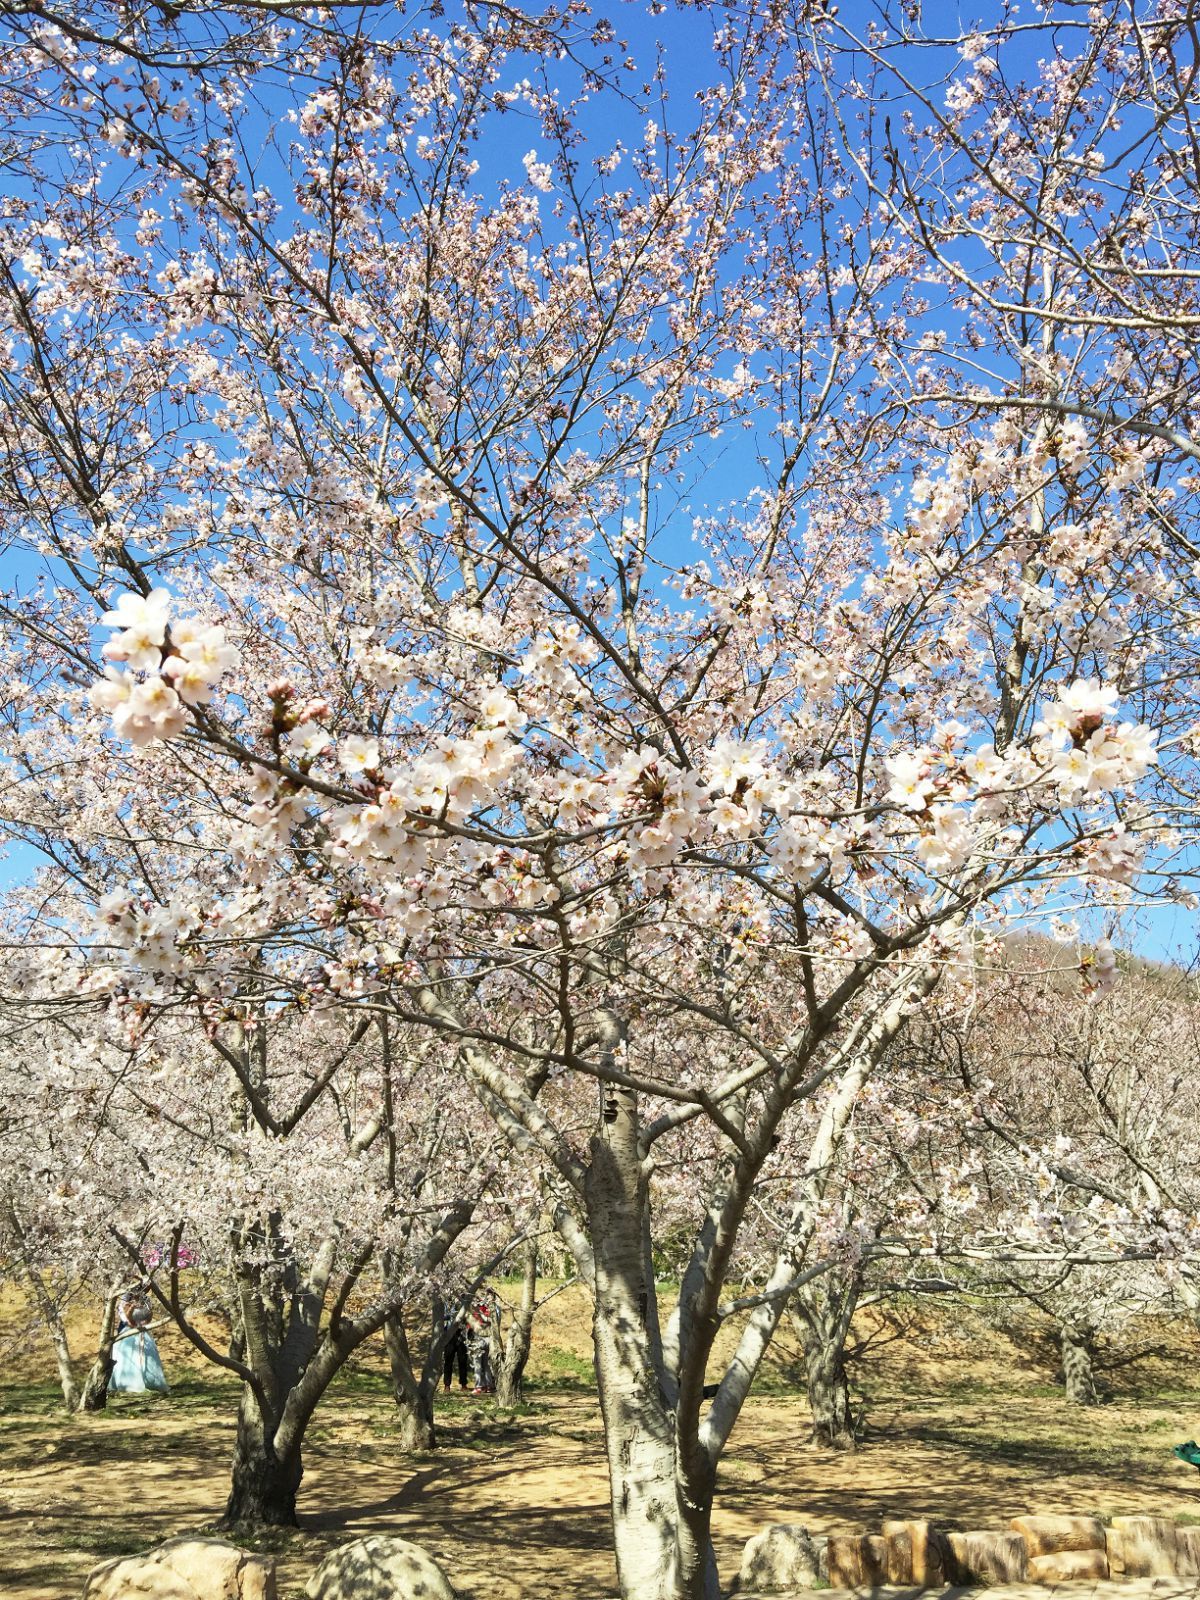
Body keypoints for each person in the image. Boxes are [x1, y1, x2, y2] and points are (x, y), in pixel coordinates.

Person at [108, 1284, 169, 1395]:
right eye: (145, 1288)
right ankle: (127, 1382)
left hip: (143, 1329)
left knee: (148, 1354)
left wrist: (144, 1324)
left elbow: (149, 1315)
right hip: (129, 1329)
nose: (147, 1290)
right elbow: (126, 1316)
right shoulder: (127, 1299)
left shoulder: (146, 1300)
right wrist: (134, 1320)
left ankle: (149, 1380)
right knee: (127, 1354)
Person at [467, 1287, 499, 1396]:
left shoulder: (494, 1309)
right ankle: (483, 1385)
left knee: (485, 1364)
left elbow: (491, 1321)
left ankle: (484, 1386)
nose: (487, 1297)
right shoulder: (478, 1308)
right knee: (479, 1364)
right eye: (486, 1295)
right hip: (478, 1337)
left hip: (488, 1337)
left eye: (490, 1295)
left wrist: (480, 1313)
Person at [442, 1307, 469, 1393]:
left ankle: (464, 1384)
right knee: (448, 1362)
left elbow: (468, 1316)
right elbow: (442, 1317)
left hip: (462, 1334)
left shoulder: (464, 1303)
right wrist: (450, 1316)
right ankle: (447, 1385)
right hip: (449, 1335)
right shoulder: (446, 1303)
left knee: (463, 1361)